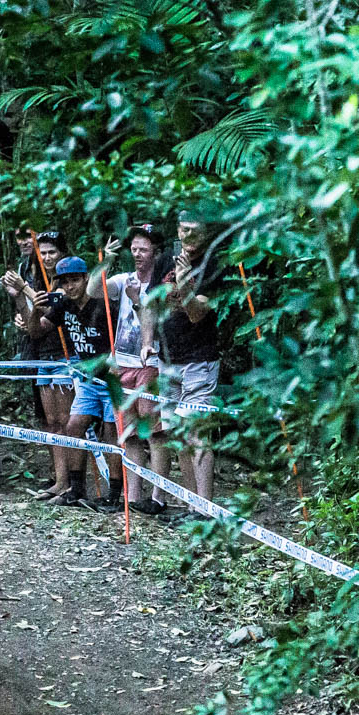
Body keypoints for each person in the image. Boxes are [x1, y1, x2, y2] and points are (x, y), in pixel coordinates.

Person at [17, 255, 119, 508]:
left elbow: (121, 336)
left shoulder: (103, 305)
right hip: (86, 377)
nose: (70, 287)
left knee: (111, 433)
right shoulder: (63, 305)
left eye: (75, 280)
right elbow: (36, 331)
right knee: (74, 426)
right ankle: (76, 488)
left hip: (110, 377)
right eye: (65, 282)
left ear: (86, 278)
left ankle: (116, 493)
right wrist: (36, 309)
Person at [152, 216, 232, 506]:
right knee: (176, 432)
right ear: (178, 230)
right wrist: (147, 342)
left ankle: (206, 507)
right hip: (167, 356)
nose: (188, 236)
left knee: (196, 432)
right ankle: (191, 504)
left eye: (195, 231)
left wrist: (184, 283)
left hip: (199, 358)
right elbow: (152, 303)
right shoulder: (165, 259)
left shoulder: (213, 264)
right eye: (184, 230)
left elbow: (198, 313)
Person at [97, 226, 166, 514]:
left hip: (149, 365)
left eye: (143, 249)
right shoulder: (124, 279)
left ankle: (158, 496)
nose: (137, 254)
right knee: (130, 433)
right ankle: (134, 496)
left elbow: (155, 320)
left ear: (156, 253)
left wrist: (137, 298)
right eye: (134, 249)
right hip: (122, 363)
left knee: (155, 433)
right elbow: (93, 291)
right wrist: (106, 261)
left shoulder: (163, 284)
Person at [2, 229, 74, 490]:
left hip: (67, 355)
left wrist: (24, 288)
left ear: (62, 253)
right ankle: (60, 480)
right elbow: (35, 326)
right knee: (51, 422)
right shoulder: (41, 281)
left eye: (52, 252)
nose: (47, 257)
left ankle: (73, 481)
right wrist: (20, 301)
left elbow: (55, 307)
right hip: (44, 354)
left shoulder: (70, 280)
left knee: (67, 422)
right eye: (42, 253)